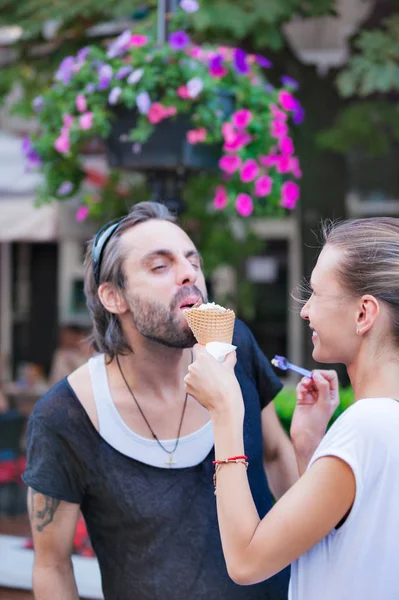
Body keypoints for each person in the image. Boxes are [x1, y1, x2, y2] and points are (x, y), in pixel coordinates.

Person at [22, 201, 298, 600]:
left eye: (193, 262)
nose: (189, 274)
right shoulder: (65, 417)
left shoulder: (235, 348)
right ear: (113, 298)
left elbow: (274, 453)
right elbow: (51, 566)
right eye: (160, 266)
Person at [185, 216, 399, 600]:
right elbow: (347, 546)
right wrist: (309, 446)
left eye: (316, 293)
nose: (305, 311)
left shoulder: (366, 425)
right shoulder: (384, 421)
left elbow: (247, 561)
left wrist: (226, 411)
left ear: (364, 314)